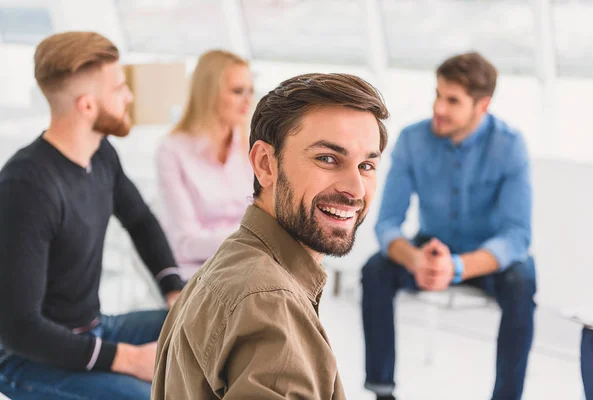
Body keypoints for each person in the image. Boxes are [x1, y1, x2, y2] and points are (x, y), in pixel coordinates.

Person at [151, 73, 389, 399]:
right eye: (328, 159)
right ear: (265, 164)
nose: (355, 189)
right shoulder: (268, 301)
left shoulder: (233, 265)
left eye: (366, 165)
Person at [0, 31, 184, 400]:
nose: (129, 96)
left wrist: (174, 291)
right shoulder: (26, 187)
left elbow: (140, 221)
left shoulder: (101, 155)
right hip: (28, 360)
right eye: (119, 89)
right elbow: (18, 329)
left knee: (206, 322)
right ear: (87, 106)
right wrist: (128, 359)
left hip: (95, 330)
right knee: (142, 393)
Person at [361, 52, 536, 400]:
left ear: (482, 105)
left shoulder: (510, 146)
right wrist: (414, 259)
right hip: (429, 247)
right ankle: (382, 391)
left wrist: (456, 267)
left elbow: (517, 235)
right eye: (438, 94)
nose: (438, 108)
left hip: (485, 255)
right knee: (375, 270)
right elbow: (387, 223)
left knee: (522, 279)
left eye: (452, 100)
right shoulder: (412, 140)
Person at [155, 50, 254, 280]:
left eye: (250, 91)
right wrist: (253, 239)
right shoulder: (172, 151)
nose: (248, 100)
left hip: (251, 263)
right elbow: (186, 243)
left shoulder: (252, 147)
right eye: (238, 91)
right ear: (209, 93)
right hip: (200, 272)